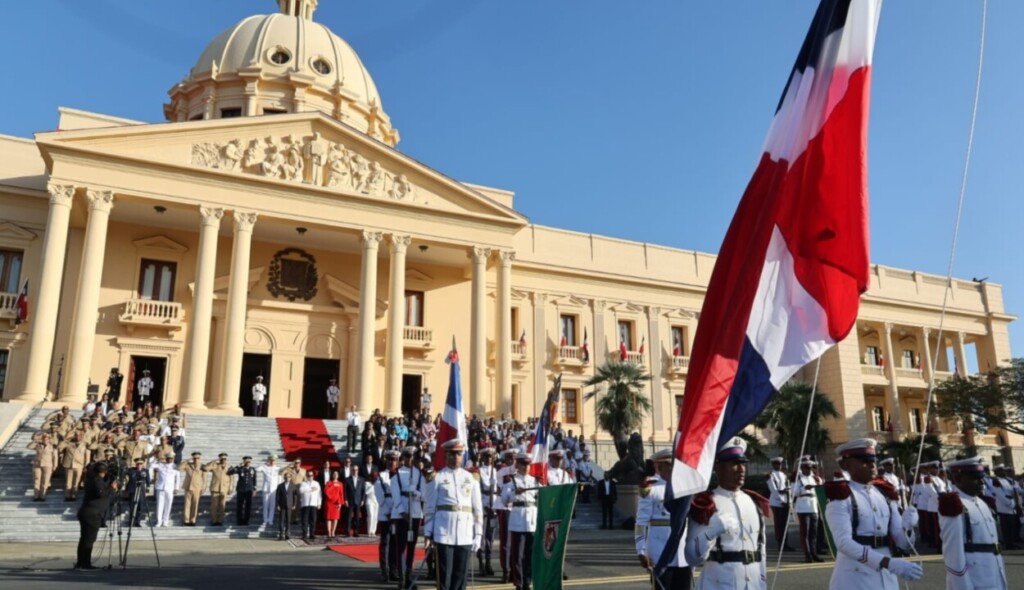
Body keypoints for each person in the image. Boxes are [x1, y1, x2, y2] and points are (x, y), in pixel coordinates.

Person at [823, 438, 922, 589]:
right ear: (845, 465)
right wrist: (887, 562)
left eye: (873, 460)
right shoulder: (842, 496)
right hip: (855, 576)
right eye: (863, 460)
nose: (872, 465)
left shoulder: (885, 494)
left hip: (887, 574)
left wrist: (908, 527)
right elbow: (843, 542)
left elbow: (902, 543)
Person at [685, 437, 765, 590]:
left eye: (743, 463)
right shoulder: (706, 503)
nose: (741, 469)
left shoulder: (753, 502)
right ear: (718, 468)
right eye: (734, 464)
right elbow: (692, 557)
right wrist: (710, 533)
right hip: (719, 585)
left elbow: (761, 550)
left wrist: (763, 583)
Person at [423, 438, 483, 590]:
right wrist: (428, 533)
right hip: (444, 533)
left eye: (458, 454)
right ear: (446, 456)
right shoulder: (437, 477)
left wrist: (478, 534)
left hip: (465, 533)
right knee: (444, 575)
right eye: (452, 454)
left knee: (460, 576)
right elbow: (430, 508)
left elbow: (477, 509)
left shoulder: (471, 478)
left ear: (462, 456)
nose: (456, 457)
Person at [938, 456, 1007, 589]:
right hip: (974, 578)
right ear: (958, 479)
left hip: (993, 572)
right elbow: (953, 553)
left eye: (982, 477)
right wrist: (962, 586)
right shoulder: (954, 504)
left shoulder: (981, 502)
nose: (982, 482)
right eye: (975, 478)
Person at [637, 449, 691, 590]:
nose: (673, 468)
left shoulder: (684, 488)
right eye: (669, 465)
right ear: (659, 467)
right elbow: (641, 523)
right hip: (660, 552)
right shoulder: (651, 489)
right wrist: (641, 550)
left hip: (682, 553)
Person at [501, 453, 538, 590]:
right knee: (518, 554)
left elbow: (539, 499)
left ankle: (528, 581)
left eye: (528, 464)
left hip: (531, 521)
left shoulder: (535, 481)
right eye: (523, 464)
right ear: (518, 465)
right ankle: (519, 582)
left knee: (529, 553)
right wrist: (514, 493)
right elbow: (504, 500)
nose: (526, 467)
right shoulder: (511, 481)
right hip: (518, 520)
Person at [390, 446, 425, 587]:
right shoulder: (397, 474)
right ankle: (401, 576)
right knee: (401, 546)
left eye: (412, 457)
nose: (409, 459)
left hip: (415, 513)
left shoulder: (419, 474)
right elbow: (395, 495)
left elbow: (424, 495)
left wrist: (415, 492)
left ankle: (409, 575)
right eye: (407, 456)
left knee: (412, 545)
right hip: (402, 514)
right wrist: (402, 512)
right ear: (403, 458)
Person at [75, 462, 119, 570]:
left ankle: (81, 562)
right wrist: (111, 487)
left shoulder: (94, 479)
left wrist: (111, 483)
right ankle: (85, 563)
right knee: (88, 540)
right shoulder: (96, 481)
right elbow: (101, 493)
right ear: (104, 471)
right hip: (92, 514)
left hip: (90, 513)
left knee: (85, 539)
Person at [791, 456, 824, 563]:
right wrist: (804, 488)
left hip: (813, 506)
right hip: (803, 505)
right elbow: (794, 493)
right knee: (805, 532)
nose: (808, 469)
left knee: (813, 533)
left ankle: (814, 553)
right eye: (806, 467)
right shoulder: (797, 478)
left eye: (810, 467)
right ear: (802, 467)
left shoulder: (814, 478)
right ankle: (807, 554)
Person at [375, 450, 400, 581]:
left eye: (394, 460)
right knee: (385, 542)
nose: (392, 462)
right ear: (386, 461)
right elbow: (380, 497)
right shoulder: (381, 476)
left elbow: (400, 496)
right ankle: (385, 570)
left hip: (396, 515)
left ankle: (394, 569)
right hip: (385, 514)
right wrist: (388, 512)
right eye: (390, 460)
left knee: (395, 543)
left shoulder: (400, 475)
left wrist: (396, 512)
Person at [476, 448, 500, 576]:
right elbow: (478, 490)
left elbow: (496, 489)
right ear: (483, 458)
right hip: (483, 505)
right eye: (487, 457)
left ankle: (488, 563)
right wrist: (484, 506)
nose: (489, 459)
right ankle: (481, 563)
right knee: (482, 537)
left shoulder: (494, 471)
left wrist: (494, 506)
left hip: (493, 506)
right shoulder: (479, 471)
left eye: (491, 457)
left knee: (490, 537)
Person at [766, 457, 793, 551]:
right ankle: (780, 544)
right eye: (777, 464)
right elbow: (773, 489)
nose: (779, 466)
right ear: (773, 465)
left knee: (785, 524)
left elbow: (787, 487)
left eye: (780, 464)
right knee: (779, 524)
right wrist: (781, 500)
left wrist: (788, 501)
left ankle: (785, 543)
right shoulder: (771, 475)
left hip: (785, 501)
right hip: (777, 502)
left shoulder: (783, 474)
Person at [992, 465, 1020, 549]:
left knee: (1012, 526)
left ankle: (1012, 542)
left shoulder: (1007, 480)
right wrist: (1011, 504)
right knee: (1006, 527)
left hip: (1011, 505)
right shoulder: (996, 481)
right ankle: (1009, 544)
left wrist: (1015, 488)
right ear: (996, 472)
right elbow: (1000, 494)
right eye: (1001, 471)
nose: (1003, 472)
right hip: (1003, 507)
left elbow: (1014, 491)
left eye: (1004, 471)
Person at [28, 432, 59, 501]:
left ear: (49, 440)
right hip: (37, 464)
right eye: (44, 439)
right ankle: (36, 496)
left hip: (47, 465)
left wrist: (55, 465)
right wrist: (36, 440)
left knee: (45, 481)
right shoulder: (38, 445)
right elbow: (29, 447)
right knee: (36, 480)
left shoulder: (52, 447)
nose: (45, 440)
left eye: (47, 439)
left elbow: (55, 457)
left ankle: (42, 496)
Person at [204, 452, 232, 526]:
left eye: (225, 459)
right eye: (222, 459)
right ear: (219, 459)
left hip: (224, 488)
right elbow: (205, 468)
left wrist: (230, 488)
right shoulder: (214, 465)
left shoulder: (229, 467)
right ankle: (214, 520)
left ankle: (220, 521)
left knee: (222, 506)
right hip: (215, 488)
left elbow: (232, 478)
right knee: (214, 506)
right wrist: (213, 461)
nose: (223, 460)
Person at [228, 456, 257, 526]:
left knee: (248, 506)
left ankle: (246, 521)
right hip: (241, 490)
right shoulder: (240, 468)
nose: (248, 463)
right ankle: (239, 521)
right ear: (244, 461)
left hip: (249, 490)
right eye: (246, 461)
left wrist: (254, 489)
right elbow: (230, 472)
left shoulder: (252, 469)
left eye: (249, 461)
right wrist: (238, 465)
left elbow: (254, 480)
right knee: (239, 506)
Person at [153, 452, 180, 527]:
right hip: (160, 487)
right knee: (159, 505)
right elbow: (150, 466)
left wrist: (176, 488)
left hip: (170, 488)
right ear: (166, 458)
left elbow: (177, 478)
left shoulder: (175, 467)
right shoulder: (161, 465)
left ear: (173, 459)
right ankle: (159, 521)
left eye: (171, 458)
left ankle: (165, 521)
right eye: (168, 458)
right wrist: (157, 459)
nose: (169, 460)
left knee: (168, 505)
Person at [181, 451, 206, 526]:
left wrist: (203, 488)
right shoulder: (188, 465)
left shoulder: (202, 467)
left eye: (197, 458)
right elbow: (179, 467)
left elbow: (204, 479)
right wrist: (186, 461)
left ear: (200, 459)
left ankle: (193, 520)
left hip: (197, 488)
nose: (196, 460)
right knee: (187, 504)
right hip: (188, 487)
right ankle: (186, 520)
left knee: (195, 505)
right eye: (194, 458)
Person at [125, 457, 151, 527]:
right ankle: (131, 521)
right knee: (132, 506)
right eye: (138, 464)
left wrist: (147, 490)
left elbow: (148, 481)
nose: (139, 465)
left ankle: (137, 521)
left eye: (141, 464)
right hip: (133, 490)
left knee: (140, 507)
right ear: (136, 464)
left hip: (141, 491)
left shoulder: (145, 471)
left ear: (143, 464)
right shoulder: (131, 470)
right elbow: (125, 472)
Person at [258, 455, 283, 526]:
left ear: (276, 461)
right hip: (266, 489)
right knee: (265, 505)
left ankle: (270, 520)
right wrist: (265, 463)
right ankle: (265, 520)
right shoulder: (265, 467)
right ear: (269, 461)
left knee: (272, 505)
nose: (272, 462)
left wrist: (279, 488)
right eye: (271, 460)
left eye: (274, 460)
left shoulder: (278, 469)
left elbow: (280, 479)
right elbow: (257, 469)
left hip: (274, 489)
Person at [345, 464, 367, 537]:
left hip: (358, 500)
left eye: (356, 470)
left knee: (357, 517)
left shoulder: (362, 479)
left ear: (358, 471)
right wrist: (346, 500)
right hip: (350, 500)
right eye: (353, 470)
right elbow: (345, 491)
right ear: (351, 471)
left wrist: (363, 500)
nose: (355, 471)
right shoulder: (347, 479)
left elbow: (363, 491)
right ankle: (348, 531)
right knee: (348, 517)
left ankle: (356, 531)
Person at [298, 470, 322, 541]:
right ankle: (304, 534)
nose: (310, 477)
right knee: (304, 520)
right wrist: (310, 489)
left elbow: (319, 494)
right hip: (305, 504)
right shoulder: (303, 483)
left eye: (311, 475)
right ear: (306, 476)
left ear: (313, 476)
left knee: (313, 520)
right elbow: (301, 491)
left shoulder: (316, 483)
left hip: (313, 504)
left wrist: (319, 503)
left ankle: (312, 534)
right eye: (308, 475)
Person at [324, 469, 345, 538]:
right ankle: (329, 532)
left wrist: (341, 503)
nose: (335, 475)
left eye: (336, 474)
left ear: (338, 476)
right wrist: (333, 485)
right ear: (332, 475)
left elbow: (341, 494)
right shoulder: (328, 483)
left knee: (335, 518)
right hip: (329, 502)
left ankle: (333, 531)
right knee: (328, 518)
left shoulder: (340, 484)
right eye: (334, 474)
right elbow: (326, 491)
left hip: (337, 502)